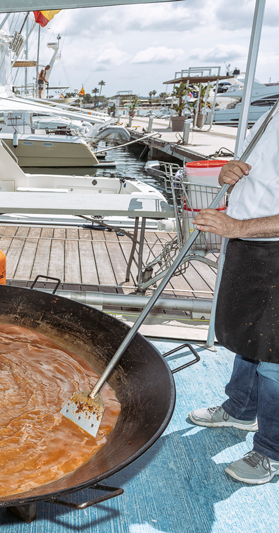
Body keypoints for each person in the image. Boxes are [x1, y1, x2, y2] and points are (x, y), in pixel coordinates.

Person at [188, 108, 279, 485]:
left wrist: (237, 225)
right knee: (246, 337)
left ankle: (271, 451)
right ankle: (241, 408)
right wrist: (231, 173)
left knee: (275, 357)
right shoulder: (272, 112)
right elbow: (261, 173)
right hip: (248, 245)